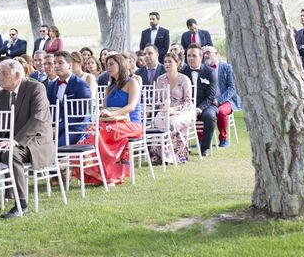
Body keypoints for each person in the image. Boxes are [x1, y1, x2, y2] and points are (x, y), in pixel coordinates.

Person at [0, 60, 55, 218]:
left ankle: (21, 204)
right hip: (9, 142)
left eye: (3, 74)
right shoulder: (1, 95)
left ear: (17, 75)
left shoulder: (36, 88)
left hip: (35, 142)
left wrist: (14, 141)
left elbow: (38, 119)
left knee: (10, 154)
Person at [75, 53, 142, 185]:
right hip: (111, 123)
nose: (108, 67)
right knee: (92, 130)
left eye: (111, 64)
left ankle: (112, 174)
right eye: (107, 65)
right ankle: (97, 171)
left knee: (101, 131)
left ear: (121, 65)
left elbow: (131, 106)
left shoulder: (132, 82)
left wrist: (113, 114)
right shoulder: (109, 87)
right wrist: (102, 115)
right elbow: (104, 108)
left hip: (131, 123)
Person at [152, 52, 196, 163]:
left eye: (170, 61)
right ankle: (160, 154)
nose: (167, 64)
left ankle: (176, 154)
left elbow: (188, 102)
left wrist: (174, 110)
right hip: (166, 110)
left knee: (173, 122)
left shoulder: (184, 79)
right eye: (165, 61)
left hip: (185, 110)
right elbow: (159, 100)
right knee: (157, 121)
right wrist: (164, 108)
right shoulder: (160, 80)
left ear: (177, 63)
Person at [47, 51, 91, 146]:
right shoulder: (51, 86)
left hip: (75, 129)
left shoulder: (81, 85)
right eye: (54, 63)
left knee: (54, 148)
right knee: (37, 146)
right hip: (55, 128)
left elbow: (81, 115)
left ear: (70, 66)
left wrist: (60, 127)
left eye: (60, 63)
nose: (56, 66)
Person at [182, 44, 218, 157]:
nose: (191, 58)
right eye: (188, 56)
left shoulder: (210, 72)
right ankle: (182, 148)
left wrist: (198, 109)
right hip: (187, 106)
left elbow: (211, 96)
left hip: (206, 105)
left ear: (201, 57)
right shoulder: (182, 72)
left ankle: (205, 148)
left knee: (210, 116)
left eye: (194, 55)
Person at [202, 46, 241, 147]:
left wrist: (219, 100)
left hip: (226, 100)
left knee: (221, 112)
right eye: (204, 53)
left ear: (216, 53)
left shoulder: (227, 67)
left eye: (208, 52)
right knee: (200, 111)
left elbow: (232, 88)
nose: (206, 55)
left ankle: (223, 139)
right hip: (209, 100)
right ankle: (201, 139)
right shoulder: (203, 68)